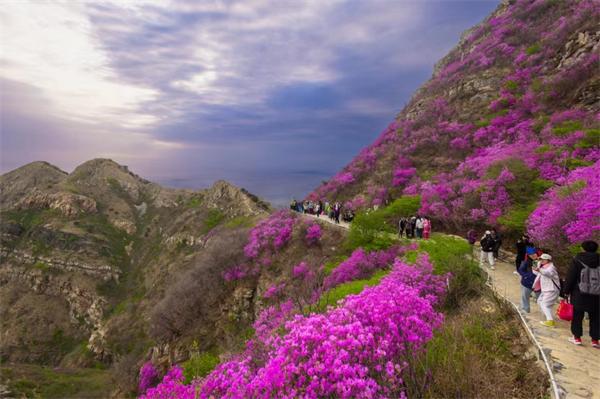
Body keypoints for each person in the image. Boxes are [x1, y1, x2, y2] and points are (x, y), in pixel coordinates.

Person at [564, 240, 599, 347]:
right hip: (597, 293)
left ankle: (577, 338)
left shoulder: (577, 260)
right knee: (596, 317)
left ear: (583, 248)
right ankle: (595, 340)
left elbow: (571, 276)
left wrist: (566, 291)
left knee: (577, 316)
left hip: (579, 292)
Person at [533, 253, 561, 327]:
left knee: (545, 304)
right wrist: (536, 267)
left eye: (542, 259)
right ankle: (547, 317)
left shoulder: (551, 267)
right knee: (540, 302)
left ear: (547, 260)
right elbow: (537, 273)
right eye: (540, 259)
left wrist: (539, 269)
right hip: (546, 289)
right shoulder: (544, 267)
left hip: (551, 289)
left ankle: (550, 321)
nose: (541, 260)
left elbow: (548, 274)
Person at [518, 247, 542, 313]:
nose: (533, 256)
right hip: (527, 283)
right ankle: (526, 309)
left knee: (540, 299)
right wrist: (526, 276)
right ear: (528, 256)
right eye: (531, 255)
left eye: (534, 254)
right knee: (525, 297)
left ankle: (544, 312)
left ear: (537, 253)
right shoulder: (526, 262)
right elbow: (520, 270)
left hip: (538, 284)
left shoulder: (542, 262)